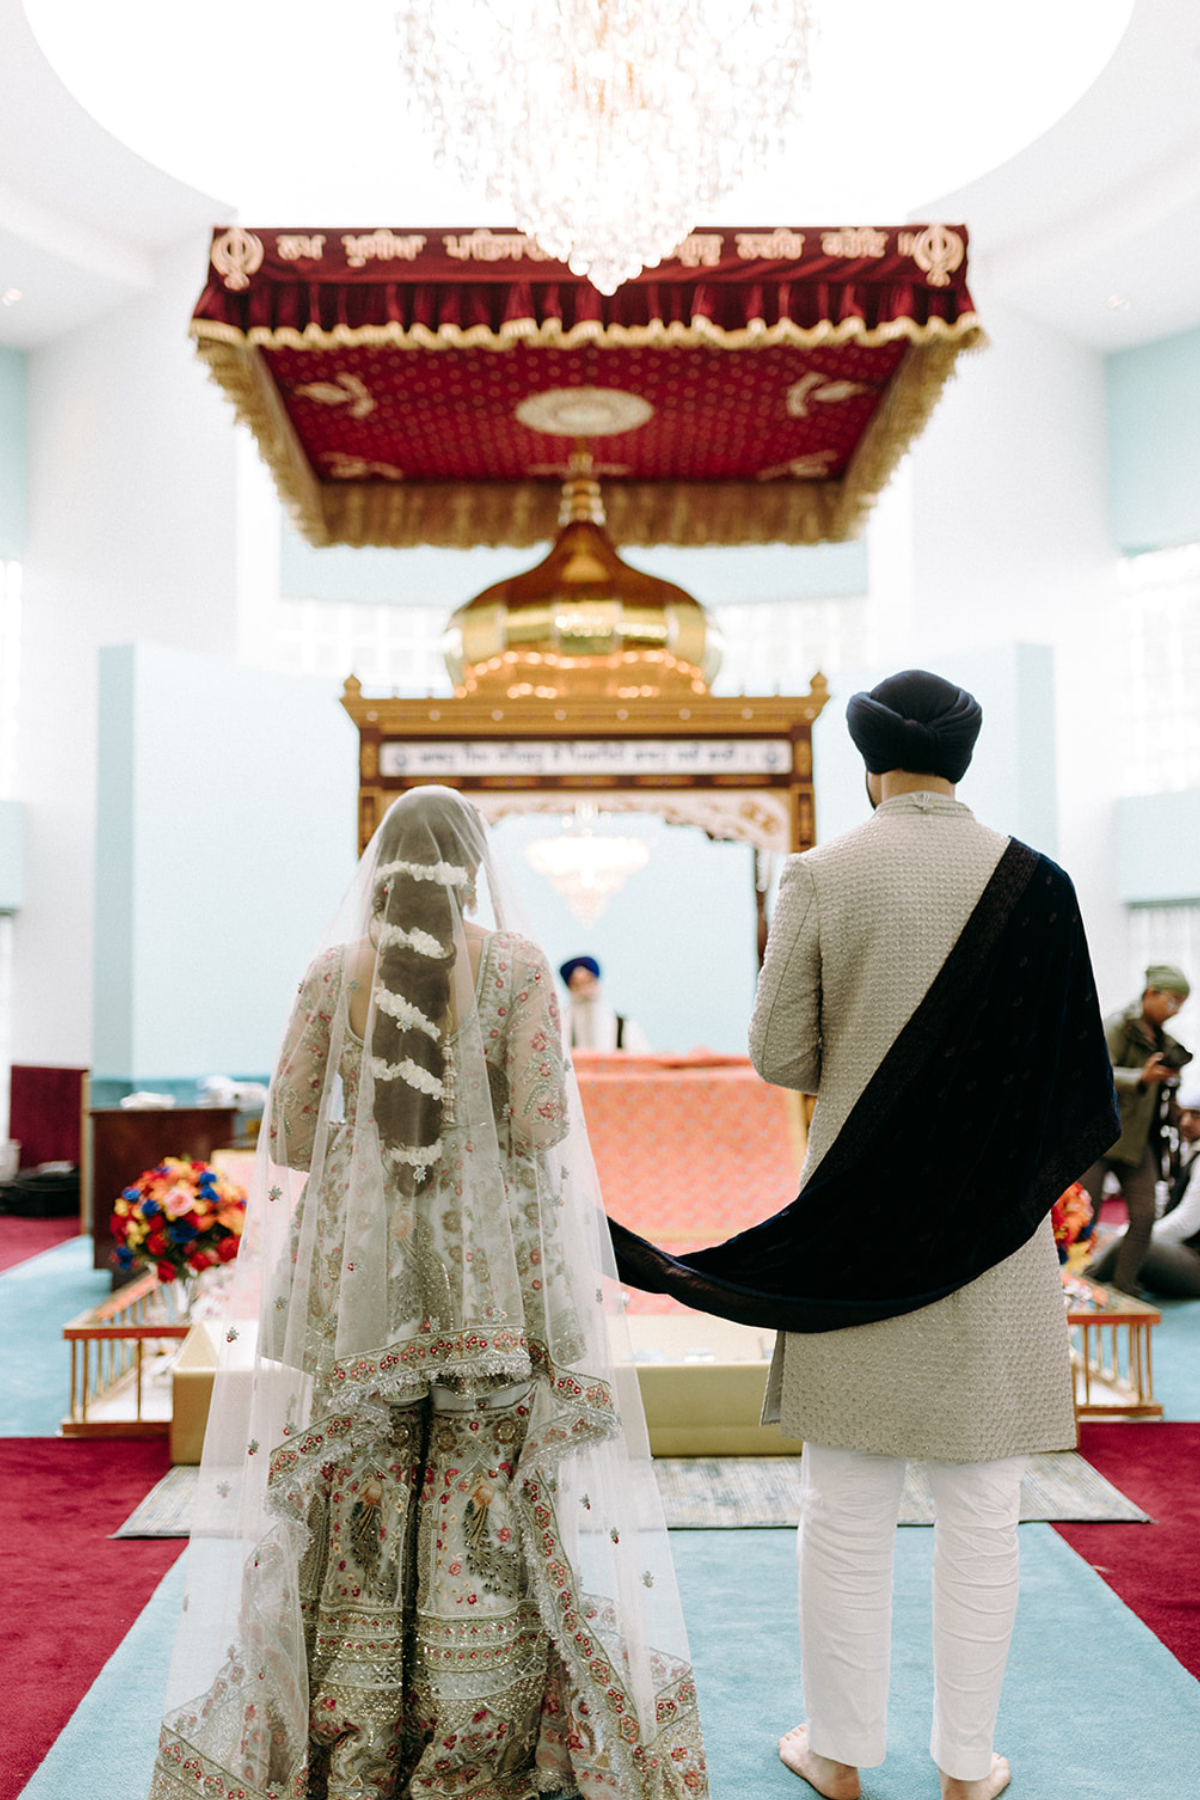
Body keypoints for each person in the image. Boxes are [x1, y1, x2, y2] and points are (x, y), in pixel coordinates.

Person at [607, 671, 1118, 1800]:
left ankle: (837, 1752)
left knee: (845, 1505)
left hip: (859, 1230)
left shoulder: (824, 873)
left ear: (868, 761)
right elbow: (1073, 1080)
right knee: (984, 1508)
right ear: (966, 762)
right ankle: (967, 1765)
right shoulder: (1044, 885)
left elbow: (782, 1055)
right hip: (994, 1240)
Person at [147, 788, 706, 1800]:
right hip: (492, 1278)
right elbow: (540, 1125)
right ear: (474, 866)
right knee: (477, 1490)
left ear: (383, 868)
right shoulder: (518, 968)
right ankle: (472, 1729)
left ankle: (354, 1735)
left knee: (360, 1494)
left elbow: (285, 1136)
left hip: (357, 1281)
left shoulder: (330, 975)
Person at [1080, 963, 1192, 1298]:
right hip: (1100, 1139)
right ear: (1150, 993)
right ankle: (1077, 1282)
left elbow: (1162, 1100)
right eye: (1171, 1001)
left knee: (1144, 1217)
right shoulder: (1117, 1026)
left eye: (1181, 1004)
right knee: (1086, 1216)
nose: (1175, 1010)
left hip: (1138, 1143)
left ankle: (1123, 1286)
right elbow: (1094, 1073)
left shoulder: (1165, 1041)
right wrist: (1139, 1077)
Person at [1086, 1076, 1200, 1299]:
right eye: (1182, 1114)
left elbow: (1186, 1223)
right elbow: (1161, 1207)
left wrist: (1126, 1235)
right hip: (1181, 1252)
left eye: (1195, 1116)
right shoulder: (1184, 1152)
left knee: (1126, 1244)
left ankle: (1082, 1281)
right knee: (1111, 1234)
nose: (1185, 1122)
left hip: (1195, 1263)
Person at [560, 955, 651, 1054]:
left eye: (589, 982)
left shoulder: (623, 1025)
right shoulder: (559, 1027)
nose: (585, 991)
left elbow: (644, 1059)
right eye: (577, 985)